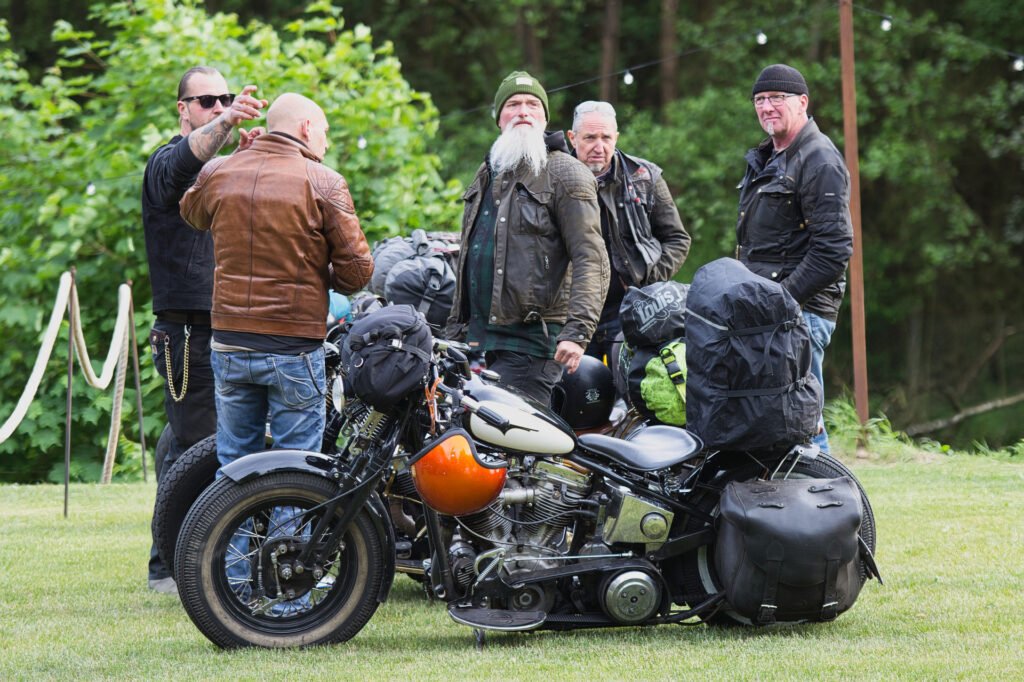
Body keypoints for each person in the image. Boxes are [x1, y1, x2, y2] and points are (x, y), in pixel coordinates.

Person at [179, 92, 373, 470]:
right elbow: (357, 273)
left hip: (230, 341)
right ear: (305, 128)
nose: (326, 142)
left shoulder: (220, 171)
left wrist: (235, 159)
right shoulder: (324, 181)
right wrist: (318, 273)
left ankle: (230, 532)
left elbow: (192, 214)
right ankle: (289, 534)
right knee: (295, 467)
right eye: (324, 131)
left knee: (235, 462)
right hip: (294, 347)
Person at [141, 66, 266, 594]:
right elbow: (190, 159)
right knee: (205, 450)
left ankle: (166, 563)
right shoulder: (166, 164)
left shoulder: (225, 167)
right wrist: (230, 126)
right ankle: (191, 568)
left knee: (182, 446)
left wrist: (256, 151)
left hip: (231, 327)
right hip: (187, 334)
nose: (219, 108)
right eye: (207, 101)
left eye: (227, 99)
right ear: (183, 110)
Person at [446, 71, 609, 403]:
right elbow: (470, 254)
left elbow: (592, 257)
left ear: (544, 117)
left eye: (533, 104)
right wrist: (454, 329)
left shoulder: (565, 172)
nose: (523, 111)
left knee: (511, 445)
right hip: (489, 340)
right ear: (499, 119)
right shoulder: (488, 172)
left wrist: (577, 333)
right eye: (513, 104)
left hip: (536, 342)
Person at [736, 64, 854, 453]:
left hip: (799, 314)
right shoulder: (768, 157)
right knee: (779, 421)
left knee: (802, 423)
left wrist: (781, 300)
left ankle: (832, 503)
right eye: (760, 100)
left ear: (802, 102)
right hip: (772, 311)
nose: (767, 107)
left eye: (777, 98)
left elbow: (833, 250)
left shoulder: (819, 159)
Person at [566, 100, 691, 362]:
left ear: (616, 137)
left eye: (606, 137)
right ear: (572, 138)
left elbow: (678, 239)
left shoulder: (645, 177)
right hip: (570, 310)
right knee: (574, 395)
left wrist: (647, 281)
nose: (598, 147)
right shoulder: (554, 179)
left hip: (629, 308)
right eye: (589, 138)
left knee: (632, 392)